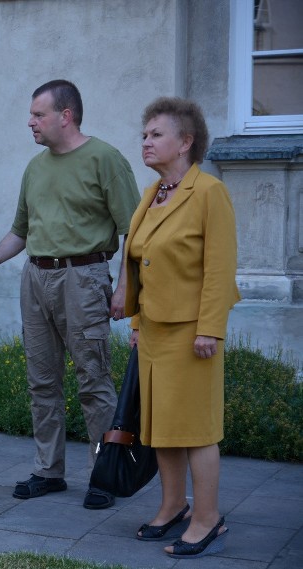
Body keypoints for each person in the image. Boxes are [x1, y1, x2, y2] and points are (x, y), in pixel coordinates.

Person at [0, 80, 140, 510]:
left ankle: (103, 476)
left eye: (38, 114)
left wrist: (124, 286)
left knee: (93, 380)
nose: (31, 122)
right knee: (41, 381)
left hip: (84, 278)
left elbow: (134, 231)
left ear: (66, 115)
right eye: (31, 114)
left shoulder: (105, 159)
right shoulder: (36, 167)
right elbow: (20, 232)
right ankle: (49, 471)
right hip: (36, 279)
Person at [126, 97, 239, 558]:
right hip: (153, 329)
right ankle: (174, 506)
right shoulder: (152, 194)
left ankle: (208, 518)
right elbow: (141, 263)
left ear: (186, 141)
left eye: (156, 134)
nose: (146, 142)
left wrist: (210, 328)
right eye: (145, 134)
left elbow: (219, 268)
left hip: (194, 333)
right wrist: (136, 319)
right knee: (161, 428)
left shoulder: (209, 192)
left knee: (195, 430)